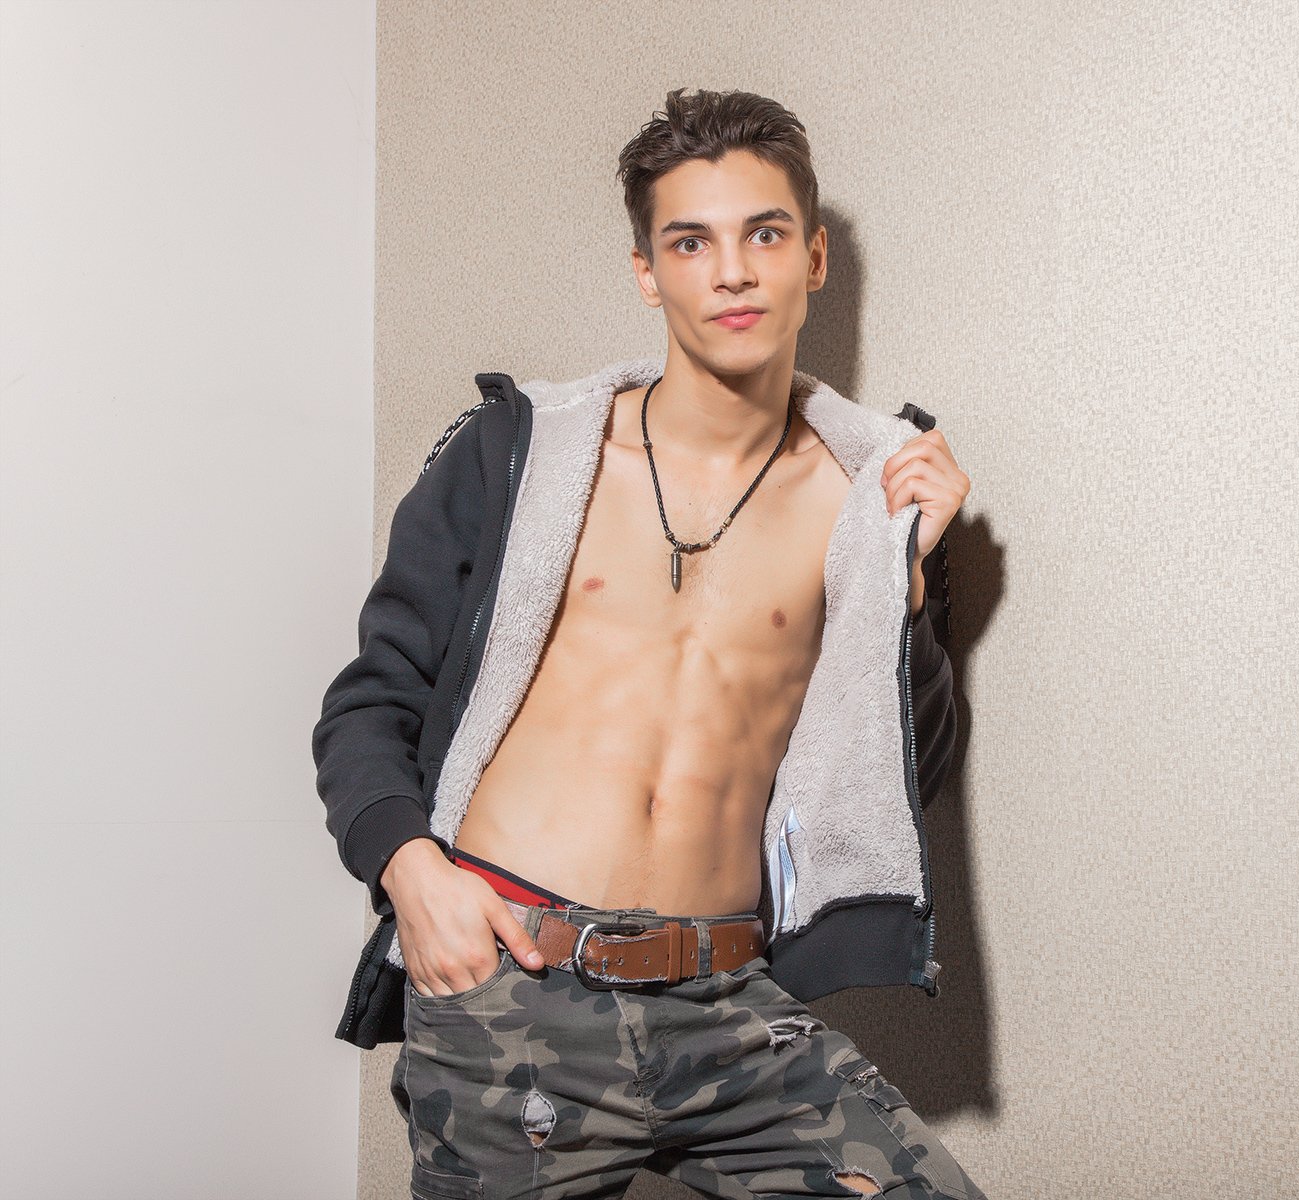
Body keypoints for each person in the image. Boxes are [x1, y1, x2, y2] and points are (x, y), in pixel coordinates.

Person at [313, 86, 983, 1199]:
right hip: (513, 983)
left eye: (764, 234)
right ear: (647, 272)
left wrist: (903, 583)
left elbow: (907, 770)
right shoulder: (517, 458)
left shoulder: (866, 503)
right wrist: (412, 876)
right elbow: (371, 700)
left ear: (813, 258)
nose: (732, 273)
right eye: (691, 242)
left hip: (730, 1003)